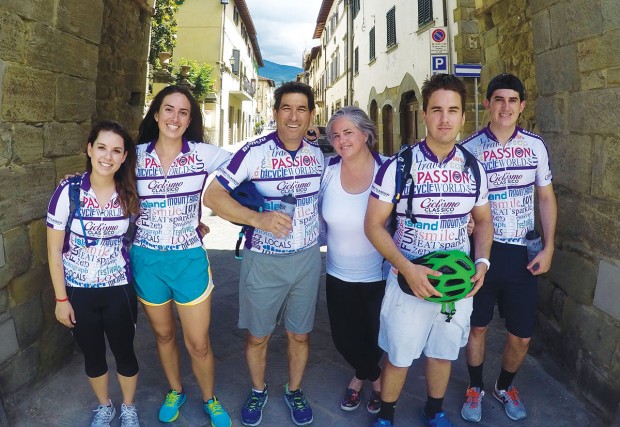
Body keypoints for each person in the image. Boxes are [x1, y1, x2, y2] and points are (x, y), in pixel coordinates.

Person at [364, 73, 494, 427]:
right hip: (408, 279)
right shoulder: (398, 167)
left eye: (453, 110)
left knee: (442, 353)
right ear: (424, 114)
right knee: (399, 355)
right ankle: (386, 418)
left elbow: (483, 221)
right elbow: (373, 225)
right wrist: (407, 268)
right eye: (436, 110)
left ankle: (434, 411)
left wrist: (481, 262)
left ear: (463, 116)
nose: (445, 118)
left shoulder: (474, 169)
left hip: (455, 283)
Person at [203, 81, 323, 427]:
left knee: (300, 333)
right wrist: (258, 218)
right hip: (264, 259)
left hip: (307, 259)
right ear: (275, 113)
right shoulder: (254, 151)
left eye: (302, 109)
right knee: (259, 335)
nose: (294, 116)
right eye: (286, 108)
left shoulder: (317, 155)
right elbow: (213, 196)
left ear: (311, 115)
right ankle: (258, 390)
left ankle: (294, 389)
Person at [131, 85, 232, 426]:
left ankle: (210, 398)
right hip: (146, 259)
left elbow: (248, 167)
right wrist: (75, 182)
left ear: (190, 120)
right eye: (169, 109)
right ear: (156, 114)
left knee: (199, 342)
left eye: (183, 112)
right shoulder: (134, 154)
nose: (175, 117)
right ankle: (176, 390)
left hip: (188, 259)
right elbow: (100, 176)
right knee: (163, 335)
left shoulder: (204, 154)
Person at [459, 73, 557, 423]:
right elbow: (458, 202)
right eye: (498, 99)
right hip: (482, 252)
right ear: (486, 103)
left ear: (522, 106)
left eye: (512, 100)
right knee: (478, 328)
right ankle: (474, 387)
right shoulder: (468, 149)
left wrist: (549, 247)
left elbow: (545, 197)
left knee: (522, 335)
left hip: (523, 251)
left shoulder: (535, 146)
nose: (505, 107)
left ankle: (504, 385)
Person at [47, 120, 141, 427]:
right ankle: (104, 407)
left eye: (116, 150)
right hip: (78, 290)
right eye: (101, 147)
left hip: (119, 288)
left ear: (125, 156)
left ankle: (128, 408)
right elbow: (53, 251)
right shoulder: (68, 191)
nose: (107, 156)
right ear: (89, 149)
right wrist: (61, 298)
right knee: (93, 355)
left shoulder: (130, 192)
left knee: (125, 353)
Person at [319, 106, 386, 414]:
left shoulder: (388, 169)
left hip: (381, 274)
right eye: (335, 135)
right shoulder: (327, 170)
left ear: (365, 134)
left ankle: (364, 380)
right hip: (339, 273)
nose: (341, 140)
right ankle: (374, 374)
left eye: (348, 132)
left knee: (375, 336)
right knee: (344, 338)